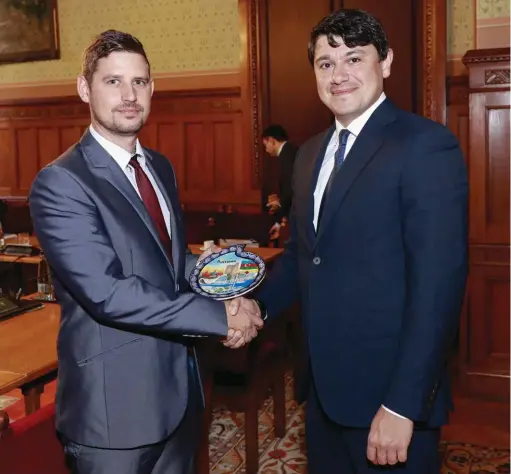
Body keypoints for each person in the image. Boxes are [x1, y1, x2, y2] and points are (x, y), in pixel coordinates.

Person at [239, 9, 468, 473]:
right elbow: (304, 256)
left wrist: (404, 405)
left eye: (353, 58)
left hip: (390, 403)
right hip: (322, 395)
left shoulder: (425, 145)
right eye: (326, 63)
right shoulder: (309, 156)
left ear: (385, 63)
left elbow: (437, 289)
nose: (338, 75)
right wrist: (255, 308)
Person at [29, 30, 262, 474]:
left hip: (178, 397)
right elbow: (108, 292)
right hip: (113, 413)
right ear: (85, 89)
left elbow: (172, 264)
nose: (129, 95)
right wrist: (220, 318)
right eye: (113, 81)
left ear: (153, 89)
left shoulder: (159, 167)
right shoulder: (62, 182)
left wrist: (230, 289)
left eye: (140, 82)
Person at [262, 125, 298, 241]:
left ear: (272, 140)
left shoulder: (287, 154)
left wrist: (279, 204)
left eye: (265, 144)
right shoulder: (290, 151)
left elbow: (290, 187)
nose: (265, 149)